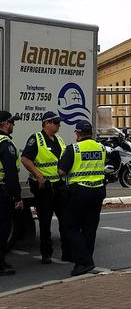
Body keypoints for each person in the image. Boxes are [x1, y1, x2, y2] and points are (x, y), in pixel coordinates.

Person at [57, 120, 106, 276]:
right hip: (98, 191)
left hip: (79, 192)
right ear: (90, 133)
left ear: (77, 133)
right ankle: (85, 260)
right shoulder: (101, 147)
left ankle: (84, 262)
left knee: (71, 227)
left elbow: (61, 171)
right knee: (90, 228)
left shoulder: (74, 149)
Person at [21, 111, 69, 264]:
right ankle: (46, 253)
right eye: (56, 122)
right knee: (45, 221)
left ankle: (67, 252)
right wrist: (39, 176)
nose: (59, 125)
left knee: (65, 220)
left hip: (59, 186)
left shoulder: (59, 139)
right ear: (46, 123)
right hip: (44, 187)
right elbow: (25, 159)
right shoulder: (36, 139)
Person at [0, 111, 23, 276]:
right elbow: (10, 173)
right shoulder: (6, 144)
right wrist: (17, 196)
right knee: (2, 229)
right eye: (12, 122)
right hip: (2, 193)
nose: (13, 125)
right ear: (5, 124)